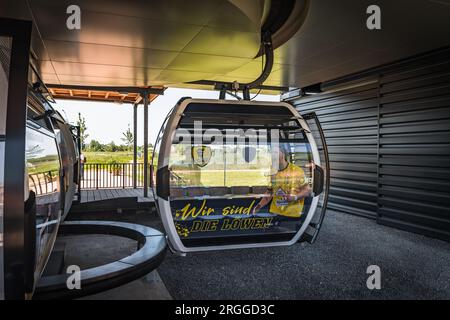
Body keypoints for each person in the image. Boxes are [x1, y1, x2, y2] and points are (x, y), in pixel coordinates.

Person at [253, 145, 311, 218]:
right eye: (271, 153)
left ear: (283, 154)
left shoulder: (297, 171)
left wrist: (295, 197)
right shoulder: (272, 172)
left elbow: (307, 190)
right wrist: (259, 206)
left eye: (275, 152)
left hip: (292, 215)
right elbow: (270, 192)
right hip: (274, 213)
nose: (273, 155)